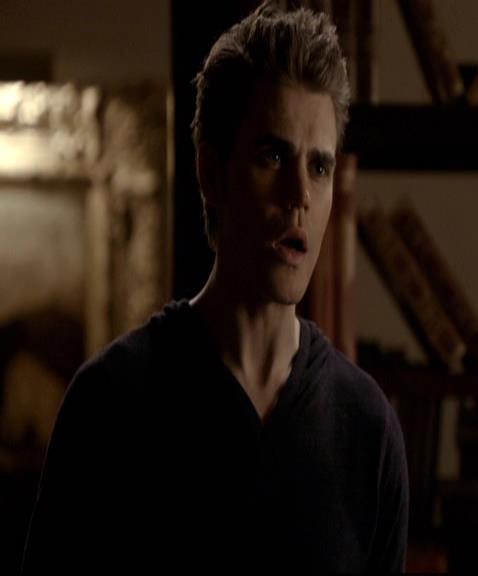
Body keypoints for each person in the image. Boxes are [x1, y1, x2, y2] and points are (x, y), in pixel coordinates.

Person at [22, 3, 409, 572]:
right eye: (273, 155)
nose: (300, 195)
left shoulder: (366, 428)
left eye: (319, 167)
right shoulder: (110, 402)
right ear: (211, 173)